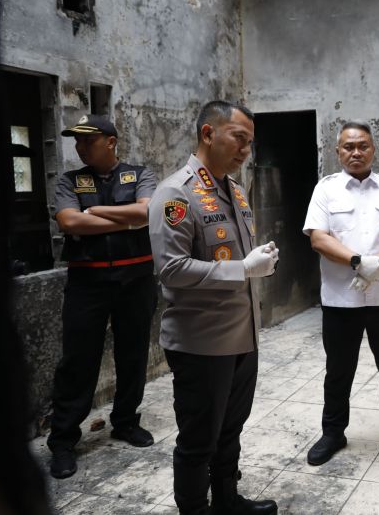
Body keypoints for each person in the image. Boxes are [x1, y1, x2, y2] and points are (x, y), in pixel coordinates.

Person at [149, 101, 279, 515]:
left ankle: (227, 500)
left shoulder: (235, 190)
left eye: (250, 143)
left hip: (243, 334)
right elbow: (171, 269)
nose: (246, 150)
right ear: (208, 134)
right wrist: (242, 268)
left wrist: (258, 261)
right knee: (198, 439)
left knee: (230, 431)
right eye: (239, 138)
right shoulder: (176, 193)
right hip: (201, 343)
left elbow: (233, 258)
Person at [302, 120, 379, 465]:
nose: (356, 152)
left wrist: (377, 264)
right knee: (339, 369)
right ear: (338, 151)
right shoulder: (325, 190)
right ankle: (332, 433)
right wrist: (358, 262)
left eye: (362, 146)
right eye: (348, 147)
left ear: (373, 149)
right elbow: (318, 238)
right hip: (342, 300)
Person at [47, 114, 158, 480]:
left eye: (87, 140)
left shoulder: (140, 174)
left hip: (136, 280)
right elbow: (69, 222)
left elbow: (148, 212)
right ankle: (63, 440)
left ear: (110, 141)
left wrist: (94, 210)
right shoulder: (69, 181)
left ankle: (126, 421)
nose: (80, 147)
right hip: (87, 282)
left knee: (133, 354)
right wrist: (127, 219)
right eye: (77, 142)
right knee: (78, 362)